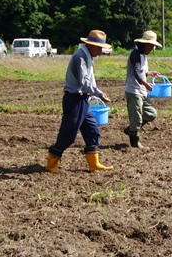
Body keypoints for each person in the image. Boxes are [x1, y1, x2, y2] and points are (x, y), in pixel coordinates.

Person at [46, 29, 114, 173]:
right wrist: (99, 93)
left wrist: (92, 93)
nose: (101, 52)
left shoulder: (88, 55)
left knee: (92, 130)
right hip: (74, 100)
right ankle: (51, 163)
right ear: (92, 45)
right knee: (68, 135)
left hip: (83, 99)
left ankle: (94, 164)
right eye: (100, 48)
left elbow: (89, 80)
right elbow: (84, 81)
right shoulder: (80, 57)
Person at [124, 30, 163, 148]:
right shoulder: (135, 54)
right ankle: (134, 141)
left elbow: (142, 72)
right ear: (145, 44)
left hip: (142, 91)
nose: (152, 48)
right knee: (136, 118)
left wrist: (150, 73)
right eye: (151, 46)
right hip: (133, 91)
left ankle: (130, 130)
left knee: (151, 113)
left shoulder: (143, 56)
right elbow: (136, 72)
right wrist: (145, 83)